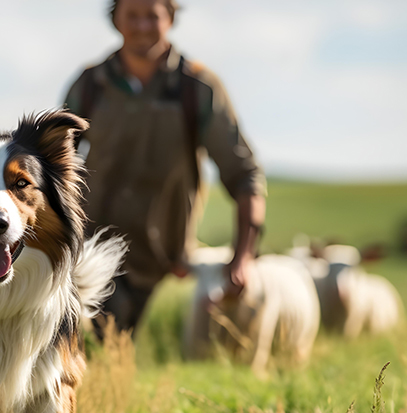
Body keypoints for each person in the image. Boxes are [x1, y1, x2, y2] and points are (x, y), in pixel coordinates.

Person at [64, 0, 266, 339]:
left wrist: (242, 259)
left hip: (169, 264)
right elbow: (54, 164)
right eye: (133, 15)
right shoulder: (90, 85)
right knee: (100, 360)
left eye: (153, 16)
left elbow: (244, 175)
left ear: (170, 18)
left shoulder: (197, 88)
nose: (143, 25)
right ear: (115, 20)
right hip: (94, 254)